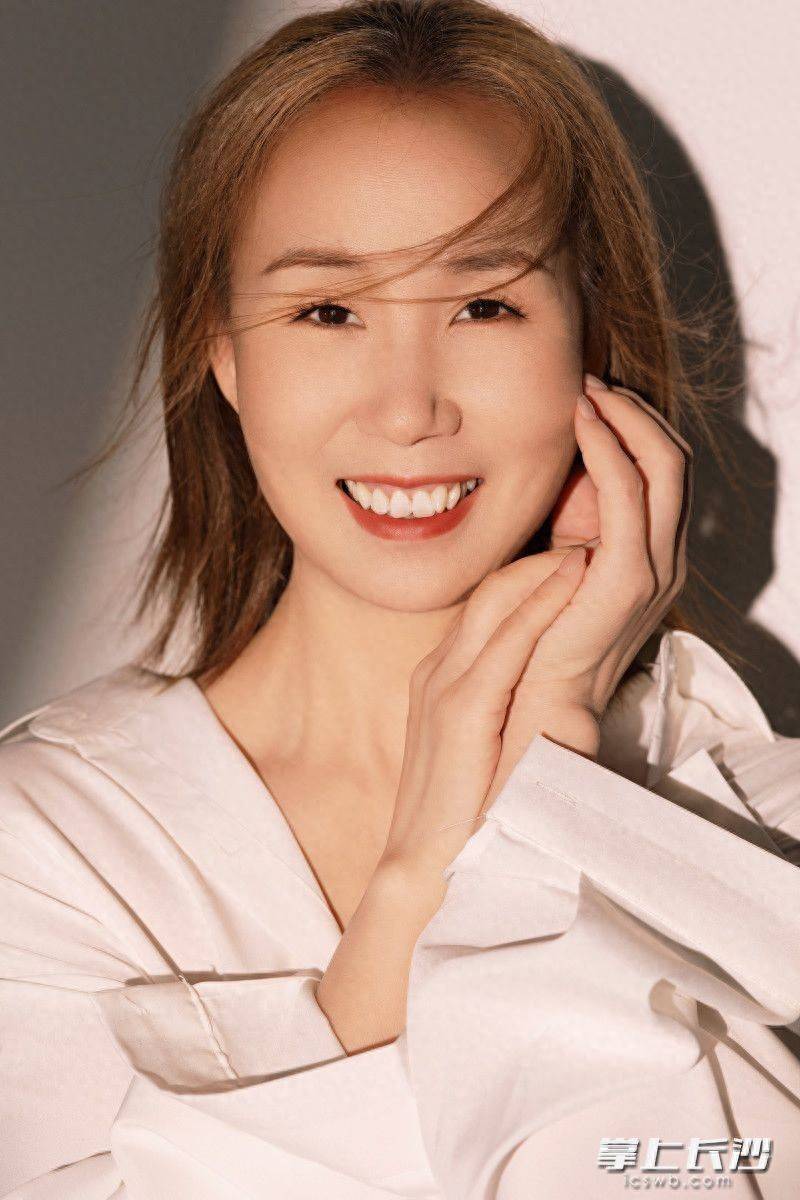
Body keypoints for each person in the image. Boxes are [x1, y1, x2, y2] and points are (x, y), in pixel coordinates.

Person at [1, 0, 798, 1195]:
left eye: (484, 305)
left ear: (590, 342)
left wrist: (553, 787)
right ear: (224, 354)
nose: (408, 407)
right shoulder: (51, 850)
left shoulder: (750, 816)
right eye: (327, 311)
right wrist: (427, 868)